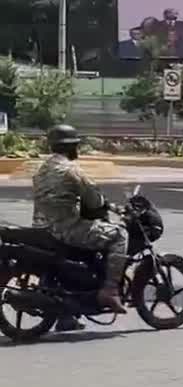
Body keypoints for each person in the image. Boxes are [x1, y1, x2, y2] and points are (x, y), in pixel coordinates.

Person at [32, 125, 128, 314]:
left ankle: (66, 316)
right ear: (70, 147)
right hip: (66, 230)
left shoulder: (41, 169)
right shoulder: (70, 170)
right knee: (120, 235)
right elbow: (94, 201)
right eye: (76, 145)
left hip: (42, 229)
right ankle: (110, 290)